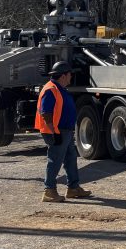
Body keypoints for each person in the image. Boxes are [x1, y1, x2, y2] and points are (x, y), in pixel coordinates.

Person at [35, 61, 93, 202]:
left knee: (70, 159)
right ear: (63, 76)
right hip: (56, 131)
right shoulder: (51, 89)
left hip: (64, 131)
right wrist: (54, 132)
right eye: (69, 75)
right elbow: (46, 113)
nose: (71, 78)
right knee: (55, 160)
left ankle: (73, 188)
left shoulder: (58, 88)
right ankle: (49, 190)